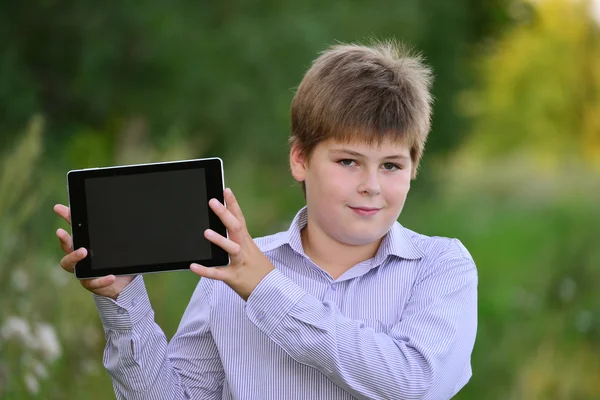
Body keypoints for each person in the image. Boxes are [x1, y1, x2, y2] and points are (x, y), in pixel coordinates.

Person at [54, 39, 478, 400]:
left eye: (391, 166)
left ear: (413, 168)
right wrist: (121, 300)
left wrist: (264, 290)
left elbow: (414, 382)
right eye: (348, 161)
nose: (371, 185)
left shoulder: (441, 267)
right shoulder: (228, 274)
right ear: (300, 159)